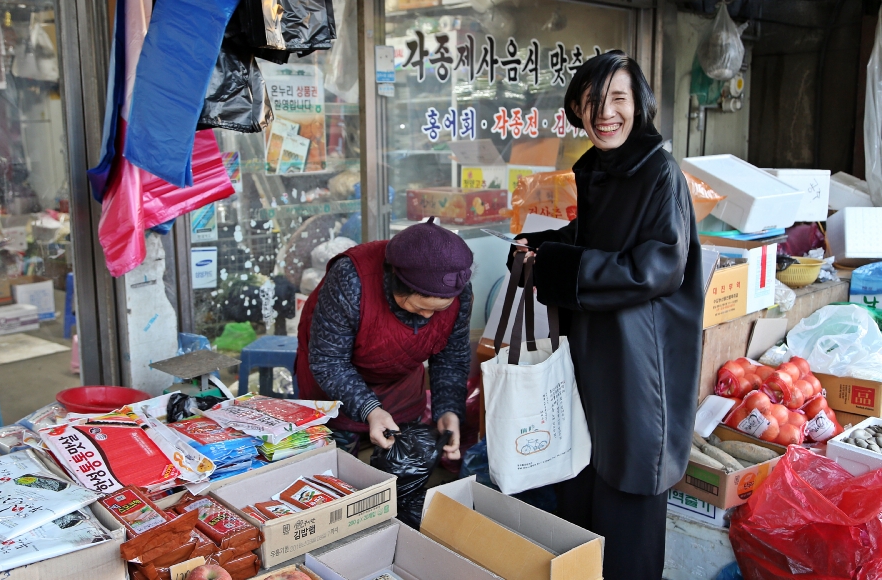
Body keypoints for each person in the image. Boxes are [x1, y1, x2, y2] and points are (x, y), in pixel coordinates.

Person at [509, 50, 702, 580]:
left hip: (635, 364)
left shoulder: (658, 172)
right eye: (592, 101)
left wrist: (561, 266)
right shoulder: (598, 168)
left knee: (626, 501)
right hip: (591, 354)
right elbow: (601, 242)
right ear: (576, 107)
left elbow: (656, 266)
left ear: (639, 105)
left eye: (617, 99)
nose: (605, 113)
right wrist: (545, 247)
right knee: (583, 491)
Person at [295, 218, 472, 459]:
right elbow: (329, 361)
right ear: (396, 284)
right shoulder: (351, 280)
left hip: (401, 382)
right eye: (420, 308)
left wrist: (448, 410)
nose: (428, 317)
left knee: (402, 468)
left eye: (439, 310)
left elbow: (452, 357)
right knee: (338, 468)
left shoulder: (457, 287)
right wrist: (370, 409)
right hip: (335, 381)